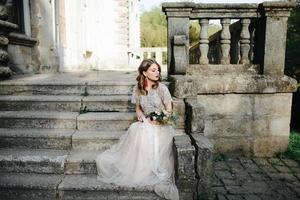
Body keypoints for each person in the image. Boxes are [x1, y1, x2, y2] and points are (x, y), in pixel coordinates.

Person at [95, 59, 179, 200]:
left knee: (147, 134)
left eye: (158, 69)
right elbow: (138, 107)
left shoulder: (162, 88)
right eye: (153, 70)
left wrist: (159, 120)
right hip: (146, 122)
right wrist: (139, 115)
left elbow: (169, 111)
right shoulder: (138, 88)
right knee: (137, 129)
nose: (157, 72)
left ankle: (148, 169)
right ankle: (138, 168)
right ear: (145, 73)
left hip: (161, 125)